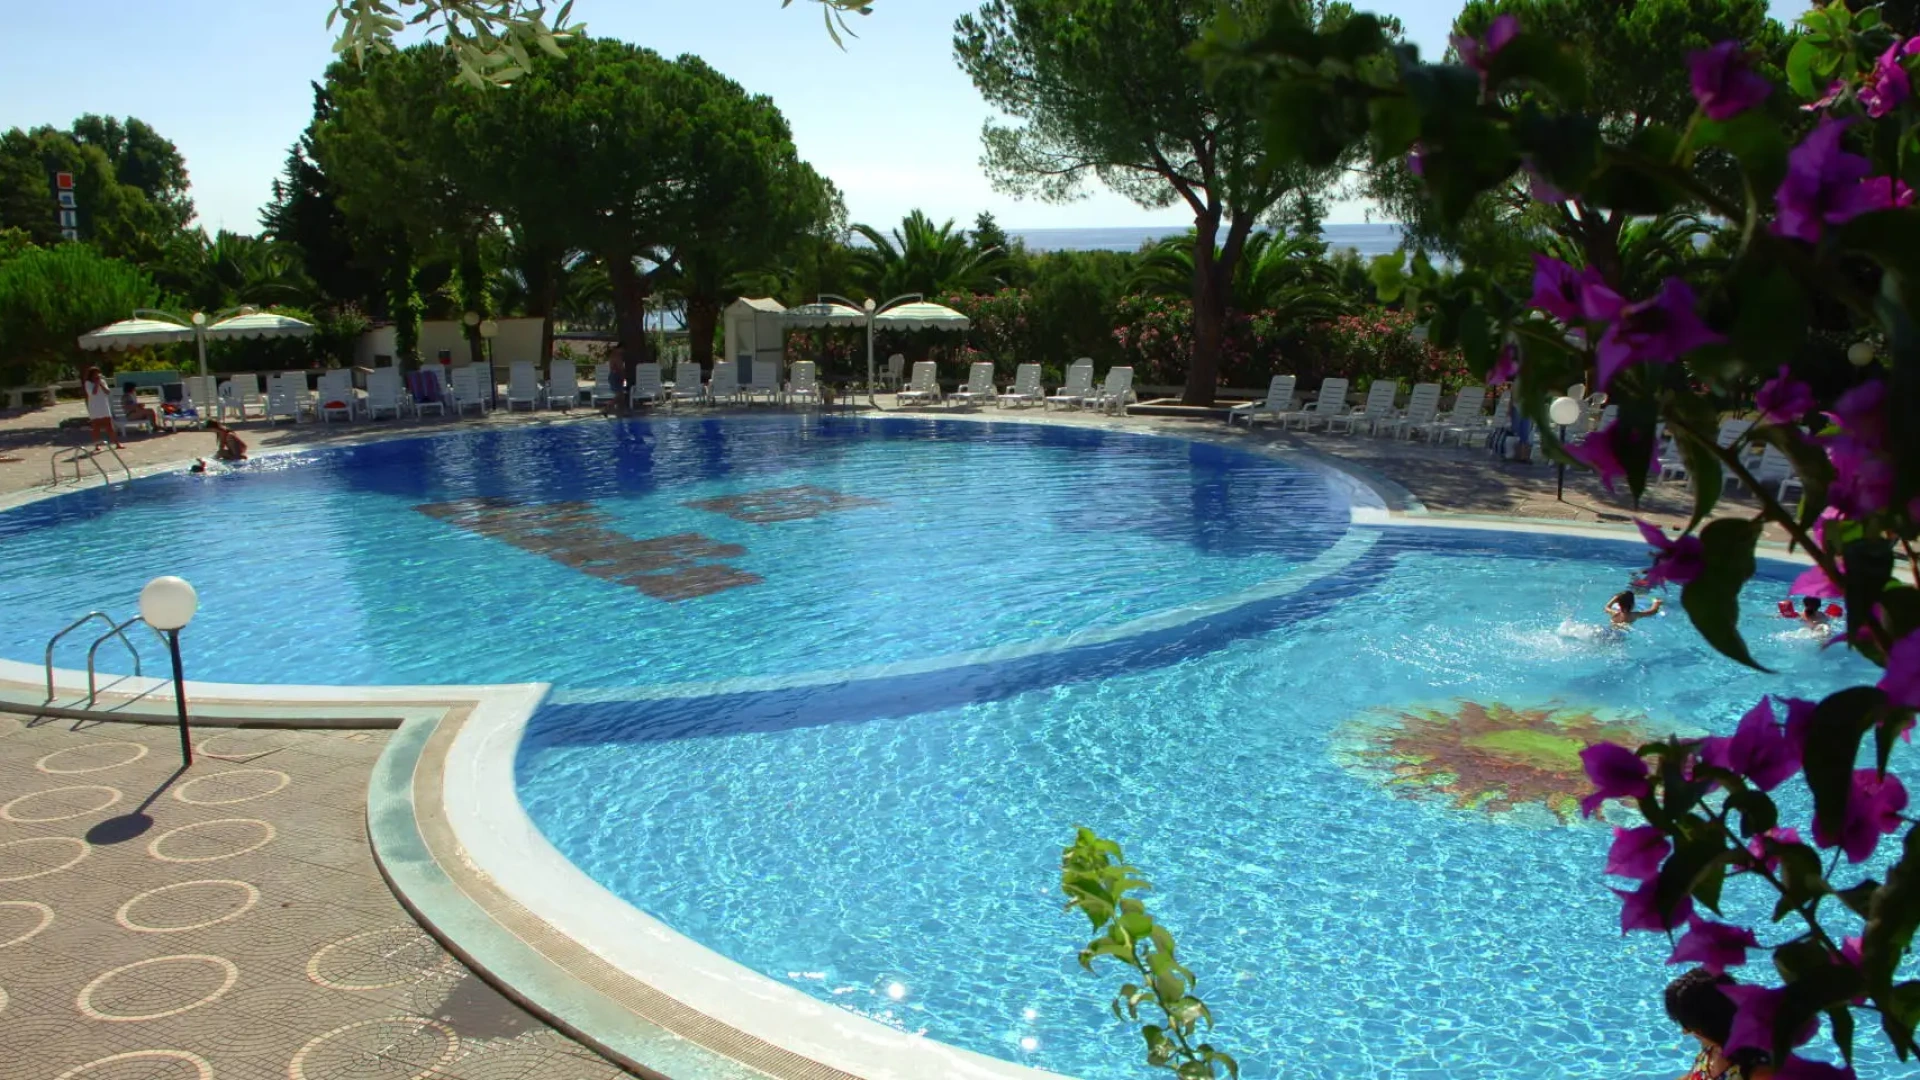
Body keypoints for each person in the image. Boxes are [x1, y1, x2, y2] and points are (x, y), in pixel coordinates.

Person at [1665, 968, 1774, 1079]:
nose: (1685, 1032)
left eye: (1688, 1025)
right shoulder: (1712, 1046)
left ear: (1709, 1024)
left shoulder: (1760, 1073)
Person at [81, 367, 123, 449]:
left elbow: (107, 392)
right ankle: (97, 445)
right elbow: (93, 393)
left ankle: (117, 443)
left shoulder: (102, 382)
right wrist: (96, 384)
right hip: (95, 407)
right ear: (91, 375)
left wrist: (100, 384)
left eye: (98, 373)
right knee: (96, 427)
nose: (97, 375)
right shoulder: (88, 383)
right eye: (95, 374)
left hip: (103, 405)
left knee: (109, 426)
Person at [606, 345, 628, 413]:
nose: (623, 352)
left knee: (620, 396)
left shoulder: (613, 355)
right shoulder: (617, 356)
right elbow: (620, 368)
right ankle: (608, 407)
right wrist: (623, 376)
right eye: (623, 350)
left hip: (613, 376)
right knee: (620, 395)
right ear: (620, 348)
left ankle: (620, 410)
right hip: (616, 377)